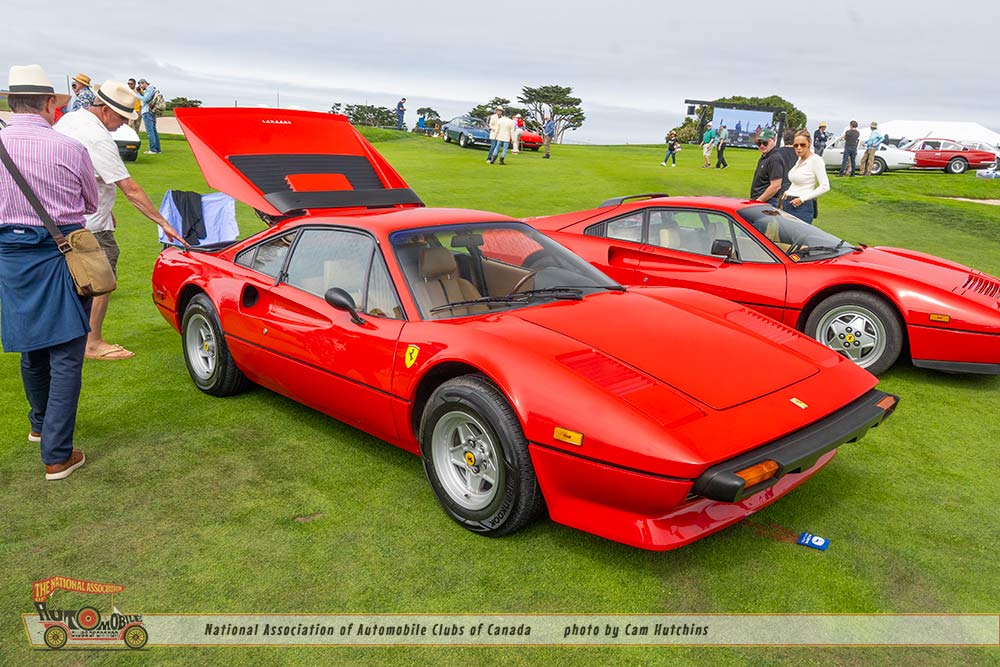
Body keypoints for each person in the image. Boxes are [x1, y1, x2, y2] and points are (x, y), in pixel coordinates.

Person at [0, 64, 97, 480]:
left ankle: (40, 425)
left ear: (11, 101)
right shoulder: (68, 147)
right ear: (49, 102)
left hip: (10, 252)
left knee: (31, 344)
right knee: (67, 353)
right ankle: (57, 454)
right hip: (61, 250)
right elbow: (90, 203)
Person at [55, 81, 188, 360]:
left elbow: (79, 175)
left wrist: (103, 205)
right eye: (121, 117)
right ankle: (92, 343)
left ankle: (67, 336)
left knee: (73, 280)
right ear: (105, 110)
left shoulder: (70, 119)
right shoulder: (99, 138)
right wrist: (163, 222)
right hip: (88, 226)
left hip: (66, 216)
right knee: (102, 279)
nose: (124, 123)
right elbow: (131, 189)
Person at [782, 130, 830, 224]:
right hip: (787, 204)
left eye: (802, 145)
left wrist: (802, 199)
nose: (799, 148)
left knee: (798, 233)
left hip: (801, 207)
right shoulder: (799, 159)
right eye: (796, 145)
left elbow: (825, 186)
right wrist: (787, 192)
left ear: (809, 143)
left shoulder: (816, 160)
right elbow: (796, 181)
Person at [749, 129, 784, 206]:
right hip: (761, 200)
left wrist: (759, 201)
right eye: (759, 143)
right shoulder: (765, 157)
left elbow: (776, 185)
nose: (762, 146)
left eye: (765, 143)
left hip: (766, 202)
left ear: (773, 140)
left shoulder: (775, 159)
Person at [136, 78, 161, 154]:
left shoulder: (149, 89)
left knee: (150, 131)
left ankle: (153, 150)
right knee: (153, 131)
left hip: (147, 112)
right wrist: (140, 92)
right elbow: (146, 97)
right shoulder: (150, 89)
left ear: (144, 83)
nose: (140, 87)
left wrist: (137, 95)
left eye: (141, 85)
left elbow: (145, 99)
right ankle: (157, 149)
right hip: (151, 112)